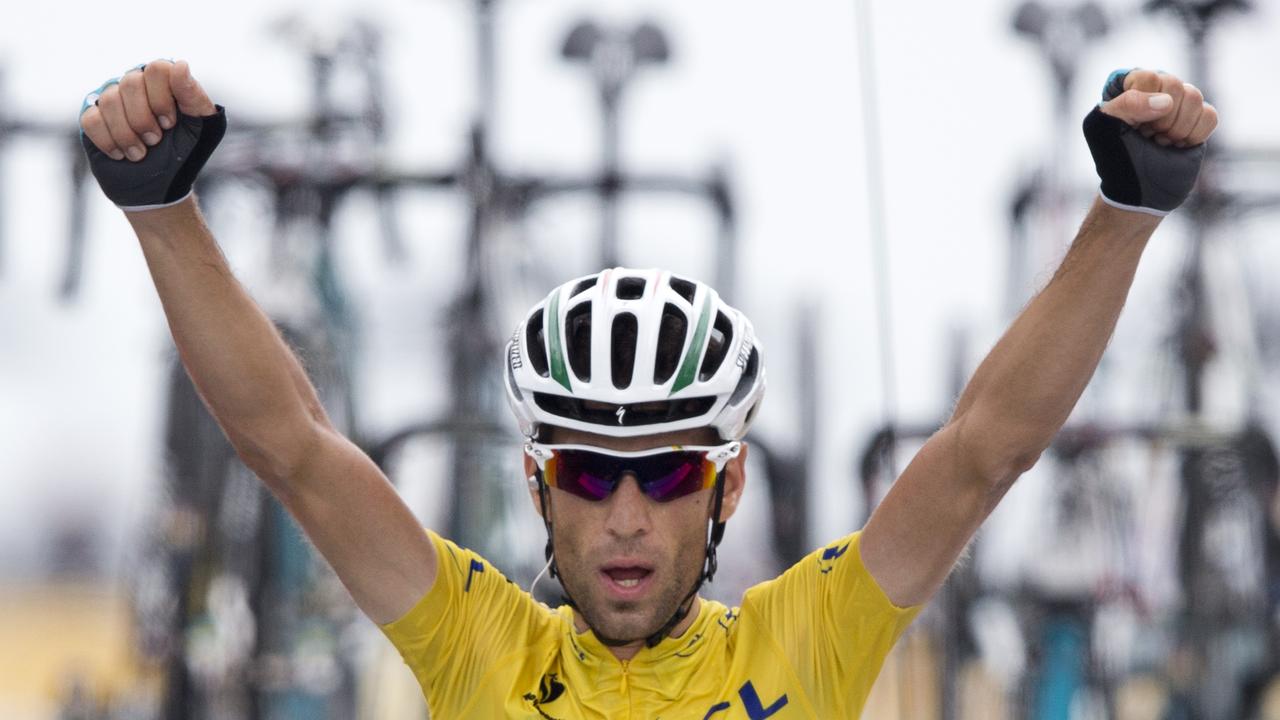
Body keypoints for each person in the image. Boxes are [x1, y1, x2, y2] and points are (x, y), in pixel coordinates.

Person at [79, 58, 1217, 718]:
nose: (624, 517)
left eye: (667, 471)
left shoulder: (803, 642)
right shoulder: (482, 649)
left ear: (722, 493)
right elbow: (293, 448)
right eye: (587, 472)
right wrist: (161, 210)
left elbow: (983, 450)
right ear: (539, 485)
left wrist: (1125, 210)